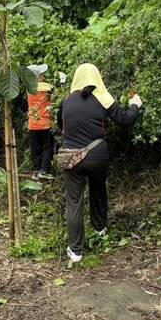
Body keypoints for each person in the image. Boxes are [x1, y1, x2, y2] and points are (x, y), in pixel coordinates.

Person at [58, 63, 142, 263]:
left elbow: (60, 126)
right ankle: (100, 229)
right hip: (97, 156)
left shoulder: (66, 101)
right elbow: (125, 120)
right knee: (98, 190)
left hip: (72, 158)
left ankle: (76, 251)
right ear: (97, 78)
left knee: (74, 202)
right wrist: (135, 105)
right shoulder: (104, 98)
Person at [26, 63, 55, 179]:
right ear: (37, 77)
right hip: (45, 124)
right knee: (47, 147)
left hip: (33, 124)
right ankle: (44, 170)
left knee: (35, 148)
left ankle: (36, 170)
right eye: (41, 74)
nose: (43, 76)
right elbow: (56, 94)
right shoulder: (47, 87)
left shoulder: (28, 88)